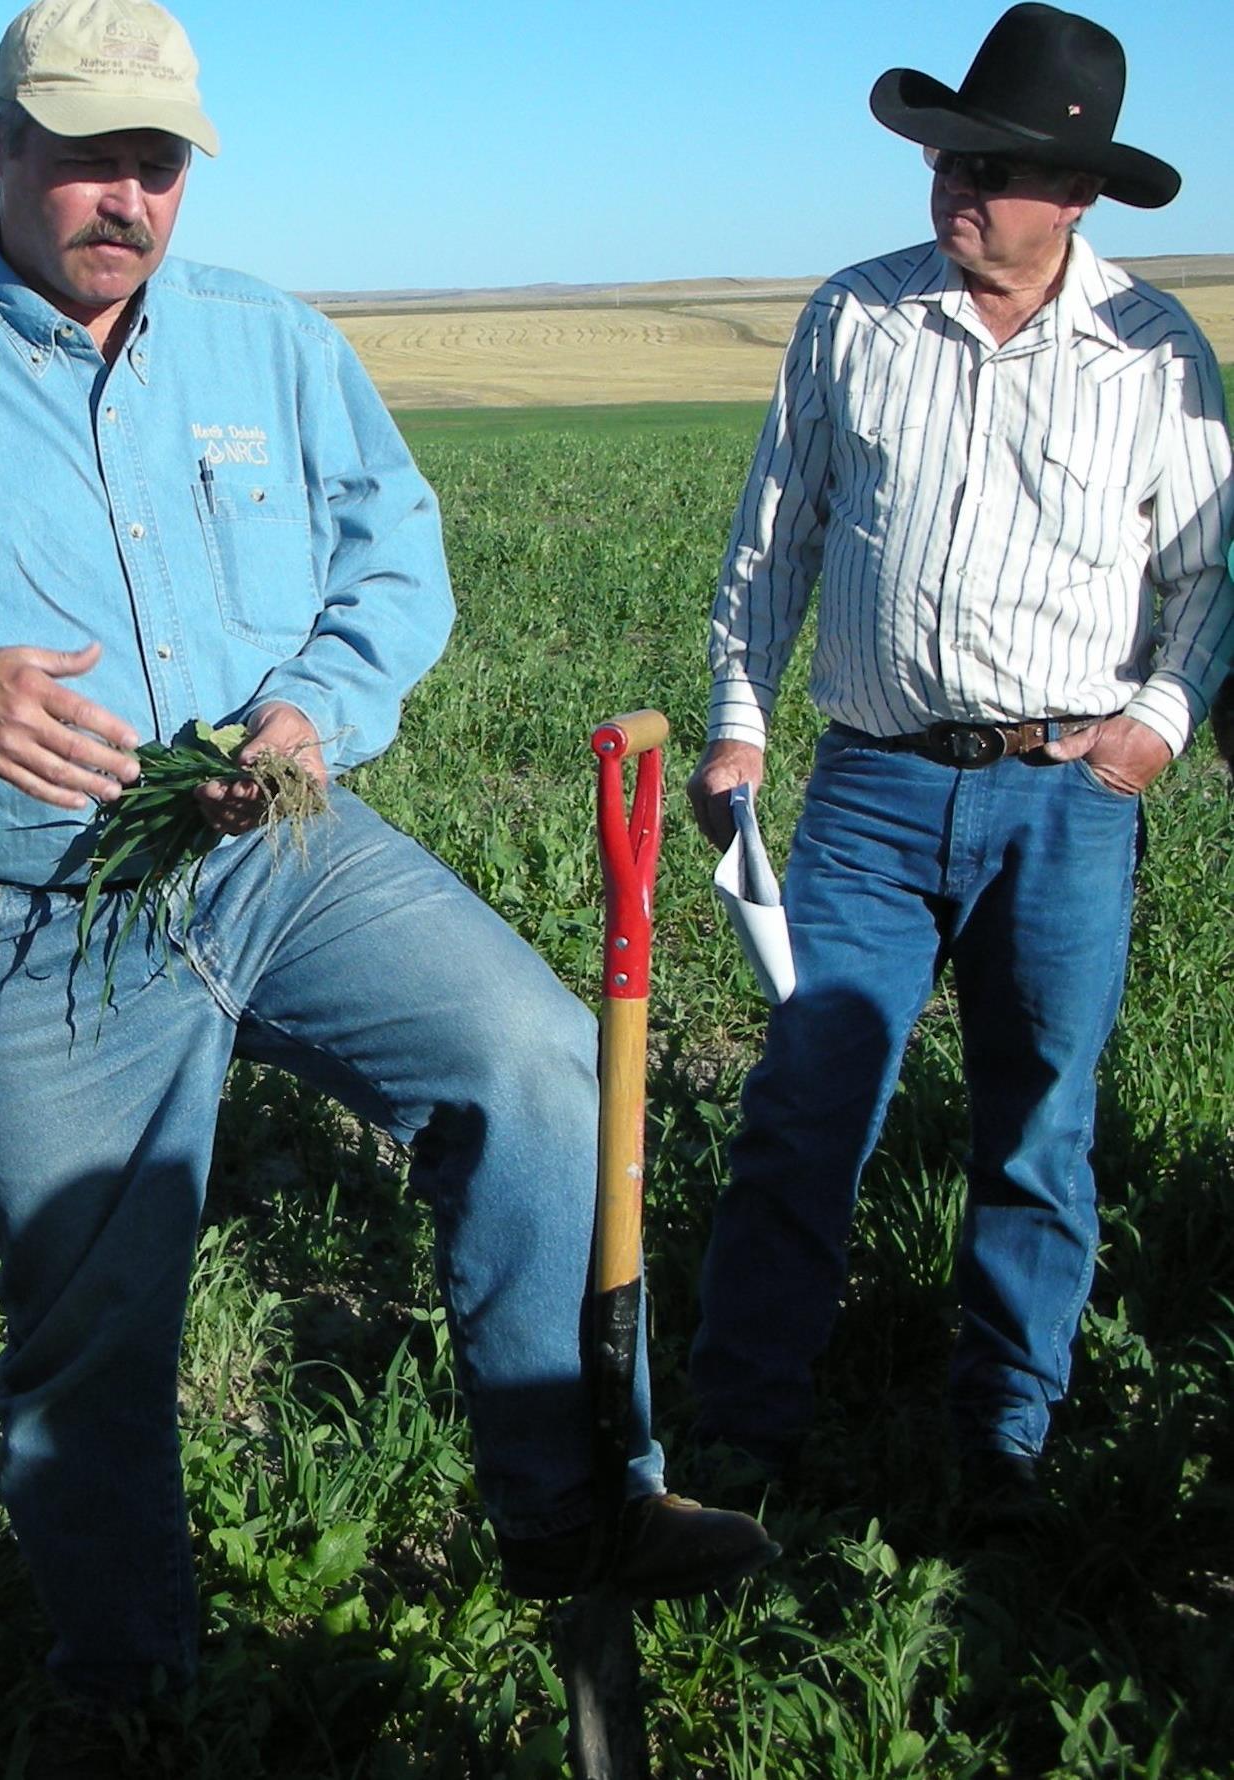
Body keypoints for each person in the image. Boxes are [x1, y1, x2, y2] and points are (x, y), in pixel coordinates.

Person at [0, 0, 775, 1702]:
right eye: (88, 160)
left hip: (283, 850)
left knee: (537, 1066)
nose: (129, 199)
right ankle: (131, 1687)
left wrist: (316, 714)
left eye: (161, 164)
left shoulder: (269, 344)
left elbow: (390, 561)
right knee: (96, 1328)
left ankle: (581, 1507)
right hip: (22, 912)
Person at [683, 5, 1234, 1511]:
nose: (959, 188)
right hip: (870, 785)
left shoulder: (1152, 354)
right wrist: (741, 720)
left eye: (997, 167)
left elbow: (1206, 576)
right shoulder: (854, 318)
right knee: (806, 1101)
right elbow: (771, 541)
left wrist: (1159, 725)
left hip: (1067, 798)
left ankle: (1004, 1438)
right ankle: (741, 1428)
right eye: (950, 156)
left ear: (1081, 197)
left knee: (1040, 1124)